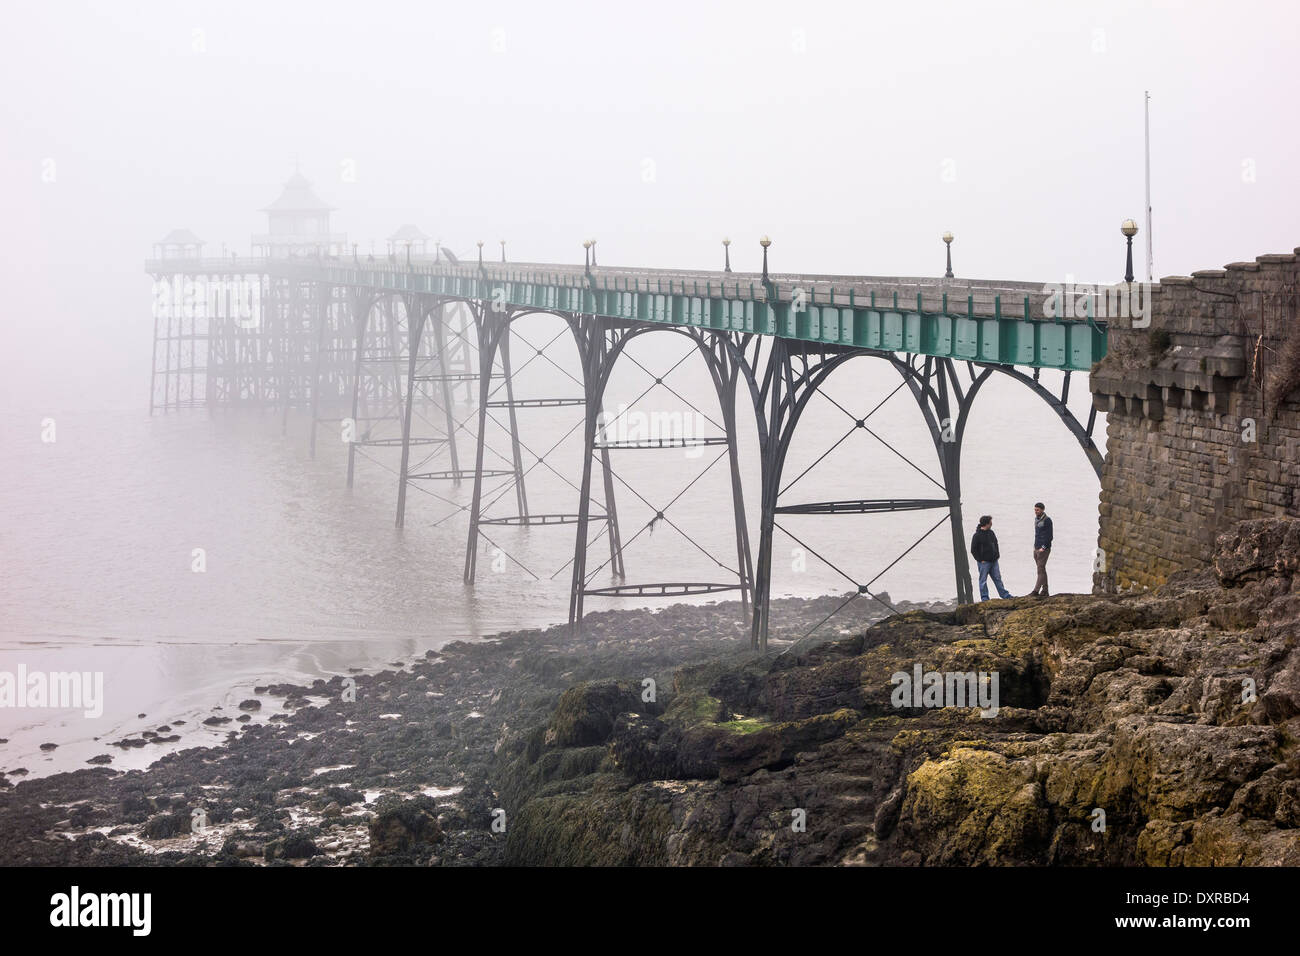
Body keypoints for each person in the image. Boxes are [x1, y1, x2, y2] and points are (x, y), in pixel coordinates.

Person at [970, 515, 1012, 601]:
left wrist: (997, 555)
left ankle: (1005, 595)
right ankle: (985, 598)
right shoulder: (977, 535)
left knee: (998, 579)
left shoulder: (991, 532)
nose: (991, 524)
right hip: (984, 563)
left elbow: (996, 543)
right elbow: (973, 549)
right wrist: (980, 559)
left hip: (994, 561)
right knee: (983, 581)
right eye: (990, 522)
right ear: (986, 524)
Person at [1030, 502, 1053, 597]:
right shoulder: (1037, 519)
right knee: (1042, 570)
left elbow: (1049, 536)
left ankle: (1035, 591)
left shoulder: (1047, 520)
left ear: (1042, 510)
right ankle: (1045, 590)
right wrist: (1035, 548)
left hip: (1043, 549)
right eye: (1035, 510)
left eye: (1037, 510)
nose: (1036, 511)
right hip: (1036, 547)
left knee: (1040, 570)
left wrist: (1043, 548)